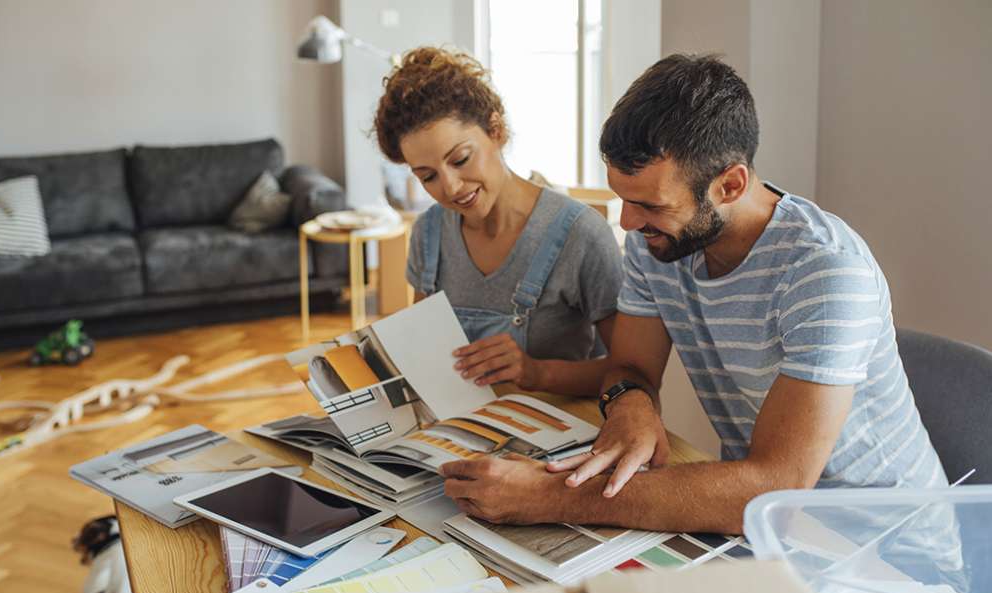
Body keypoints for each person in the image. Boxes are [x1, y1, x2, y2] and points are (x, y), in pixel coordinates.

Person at [439, 54, 951, 537]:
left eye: (649, 205)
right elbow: (629, 368)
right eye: (622, 199)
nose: (627, 222)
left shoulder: (826, 274)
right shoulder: (657, 240)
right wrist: (631, 406)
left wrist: (551, 497)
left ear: (729, 185)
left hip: (885, 553)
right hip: (771, 533)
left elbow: (776, 489)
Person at [373, 47, 621, 396]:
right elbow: (427, 357)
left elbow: (631, 373)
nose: (451, 188)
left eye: (460, 159)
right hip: (460, 437)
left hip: (557, 438)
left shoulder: (580, 236)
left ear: (496, 130)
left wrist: (537, 373)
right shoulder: (428, 235)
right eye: (428, 176)